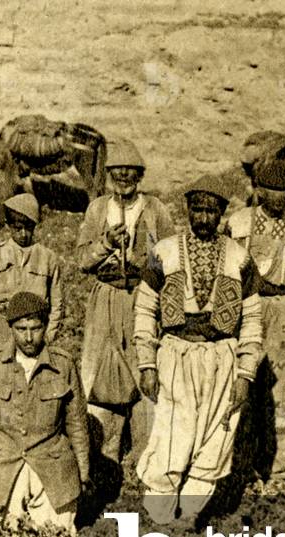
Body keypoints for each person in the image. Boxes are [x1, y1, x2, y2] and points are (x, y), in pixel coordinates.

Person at [133, 175, 263, 527]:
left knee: (216, 436)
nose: (204, 218)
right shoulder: (165, 252)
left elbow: (251, 320)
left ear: (221, 214)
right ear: (187, 210)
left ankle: (189, 513)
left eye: (211, 211)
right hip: (176, 353)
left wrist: (245, 373)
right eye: (197, 209)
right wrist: (147, 362)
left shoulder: (240, 259)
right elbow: (145, 309)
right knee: (173, 432)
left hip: (222, 356)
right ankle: (160, 514)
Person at [76, 138, 176, 495]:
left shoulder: (156, 210)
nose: (124, 180)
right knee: (97, 371)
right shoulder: (96, 209)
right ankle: (103, 459)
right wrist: (105, 242)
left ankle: (147, 460)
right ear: (108, 176)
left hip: (142, 297)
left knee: (144, 371)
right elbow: (82, 260)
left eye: (130, 174)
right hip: (105, 298)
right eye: (117, 174)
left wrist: (141, 260)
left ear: (139, 176)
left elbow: (171, 261)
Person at [0, 292, 90, 532]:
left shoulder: (63, 364)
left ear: (46, 326)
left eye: (35, 329)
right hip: (2, 464)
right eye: (21, 329)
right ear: (10, 328)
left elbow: (77, 423)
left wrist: (83, 472)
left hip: (52, 466)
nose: (28, 337)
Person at [226, 160, 285, 495]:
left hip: (283, 310)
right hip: (245, 307)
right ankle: (241, 466)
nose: (277, 197)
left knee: (280, 392)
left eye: (284, 191)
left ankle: (279, 470)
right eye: (270, 190)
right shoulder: (237, 224)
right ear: (258, 190)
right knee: (243, 386)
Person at [0, 193, 63, 351]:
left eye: (28, 228)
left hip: (33, 332)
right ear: (8, 225)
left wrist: (48, 335)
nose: (23, 234)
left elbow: (57, 305)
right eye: (17, 228)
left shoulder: (48, 258)